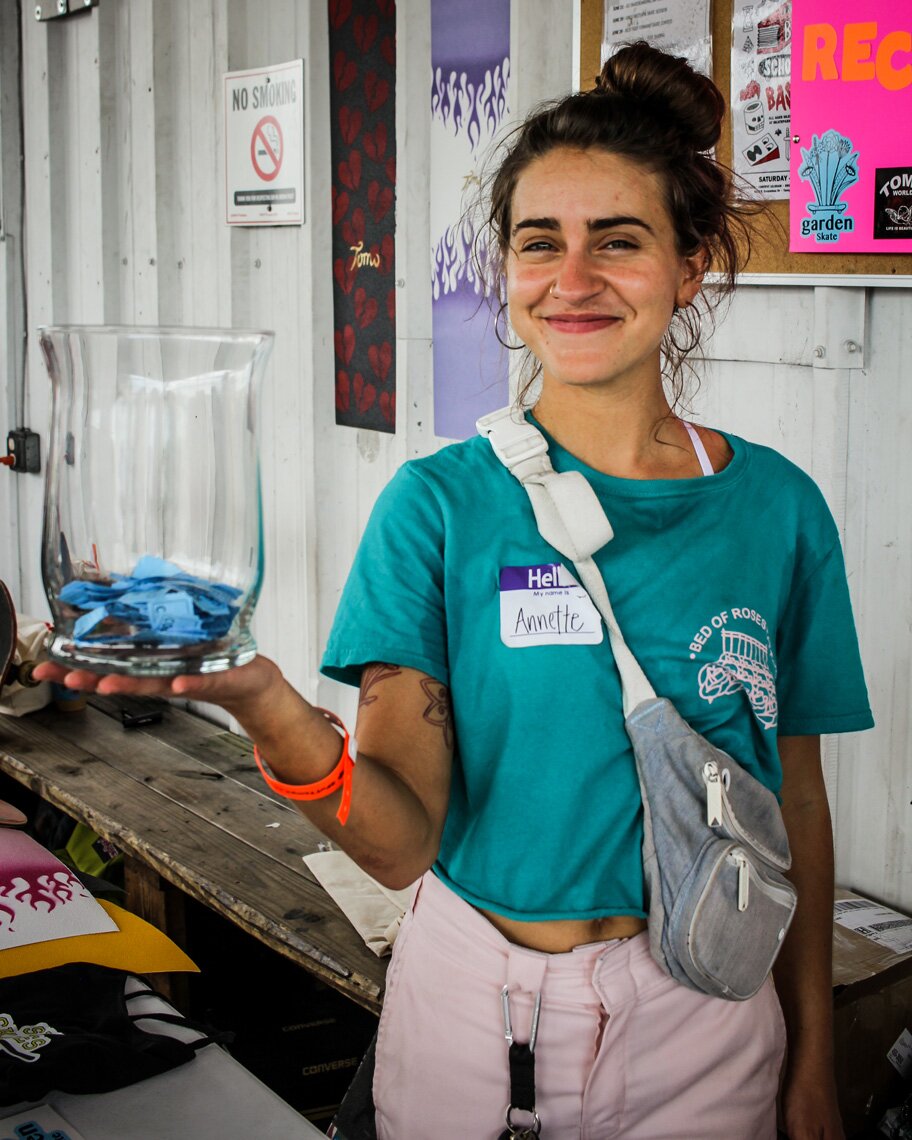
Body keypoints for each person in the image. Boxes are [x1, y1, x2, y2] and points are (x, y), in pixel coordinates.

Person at [36, 42, 873, 1140]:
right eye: (540, 245)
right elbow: (397, 843)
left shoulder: (779, 510)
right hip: (478, 1023)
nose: (571, 282)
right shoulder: (439, 506)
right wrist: (265, 704)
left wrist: (812, 1055)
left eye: (618, 243)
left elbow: (795, 802)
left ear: (692, 265)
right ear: (507, 271)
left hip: (711, 1017)